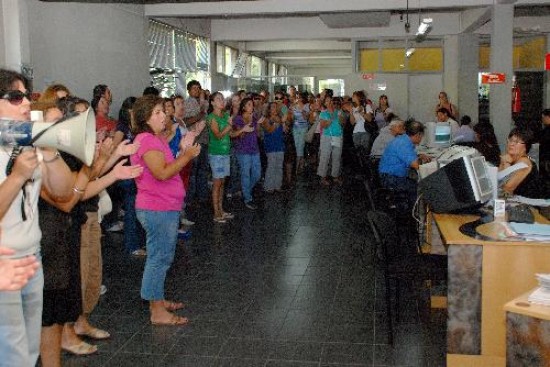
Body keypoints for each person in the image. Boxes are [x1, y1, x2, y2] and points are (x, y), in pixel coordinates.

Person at [0, 68, 74, 366]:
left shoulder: (26, 143)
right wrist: (18, 176)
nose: (27, 104)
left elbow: (64, 190)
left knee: (30, 351)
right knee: (12, 353)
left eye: (27, 97)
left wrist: (50, 151)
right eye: (15, 98)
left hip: (32, 256)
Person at [131, 95, 200, 325]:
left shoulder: (155, 139)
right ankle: (157, 310)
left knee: (161, 256)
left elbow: (167, 168)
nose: (164, 116)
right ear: (145, 118)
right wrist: (187, 156)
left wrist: (182, 152)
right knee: (159, 258)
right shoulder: (147, 140)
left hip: (164, 206)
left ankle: (156, 299)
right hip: (157, 208)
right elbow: (162, 173)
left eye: (163, 111)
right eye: (157, 113)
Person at [379, 121, 429, 210]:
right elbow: (416, 165)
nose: (421, 139)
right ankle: (414, 214)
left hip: (389, 175)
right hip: (390, 178)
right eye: (421, 136)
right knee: (419, 187)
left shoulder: (404, 139)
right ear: (418, 134)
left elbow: (405, 157)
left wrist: (418, 156)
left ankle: (407, 208)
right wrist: (425, 162)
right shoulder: (404, 144)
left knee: (414, 181)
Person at [206, 92, 234, 223]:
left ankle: (221, 209)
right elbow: (217, 135)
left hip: (225, 152)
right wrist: (229, 126)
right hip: (216, 153)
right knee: (217, 183)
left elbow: (231, 133)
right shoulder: (212, 117)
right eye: (218, 99)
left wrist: (237, 129)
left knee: (222, 182)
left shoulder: (226, 115)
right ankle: (216, 213)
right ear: (212, 103)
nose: (221, 101)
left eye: (222, 98)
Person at [232, 97, 264, 210]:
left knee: (257, 174)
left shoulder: (254, 118)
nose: (252, 106)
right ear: (244, 107)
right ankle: (247, 199)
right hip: (243, 151)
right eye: (249, 104)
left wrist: (258, 124)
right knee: (245, 175)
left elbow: (258, 134)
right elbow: (238, 135)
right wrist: (245, 127)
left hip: (254, 149)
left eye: (252, 104)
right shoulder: (238, 119)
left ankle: (245, 191)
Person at [184, 80, 210, 205]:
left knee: (203, 170)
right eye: (194, 88)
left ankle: (202, 195)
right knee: (193, 171)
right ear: (189, 90)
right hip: (194, 141)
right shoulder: (187, 103)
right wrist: (200, 115)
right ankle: (191, 198)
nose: (197, 90)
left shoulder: (204, 102)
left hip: (204, 139)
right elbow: (186, 121)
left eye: (198, 88)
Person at [499, 128, 542, 198]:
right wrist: (503, 163)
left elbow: (506, 190)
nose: (511, 144)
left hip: (528, 206)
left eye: (516, 142)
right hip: (515, 202)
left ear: (526, 147)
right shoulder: (510, 159)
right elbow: (497, 181)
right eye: (510, 140)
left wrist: (506, 163)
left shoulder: (524, 163)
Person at [317, 95, 345, 186]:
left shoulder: (339, 112)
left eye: (331, 101)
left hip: (338, 137)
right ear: (325, 103)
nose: (329, 103)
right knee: (325, 157)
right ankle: (322, 177)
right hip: (327, 137)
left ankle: (335, 176)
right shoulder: (323, 113)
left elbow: (343, 123)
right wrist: (328, 122)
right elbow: (323, 125)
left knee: (337, 157)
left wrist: (341, 118)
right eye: (327, 101)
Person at [262, 102, 285, 193]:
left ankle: (277, 185)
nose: (274, 109)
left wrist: (281, 122)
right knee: (271, 166)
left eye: (276, 107)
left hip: (279, 145)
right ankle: (269, 186)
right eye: (272, 107)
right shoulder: (266, 119)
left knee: (279, 166)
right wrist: (276, 123)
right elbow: (269, 130)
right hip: (271, 145)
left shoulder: (280, 118)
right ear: (269, 109)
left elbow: (284, 129)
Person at [539, 109, 550, 198]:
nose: (542, 120)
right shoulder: (546, 129)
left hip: (546, 160)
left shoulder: (547, 131)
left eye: (543, 117)